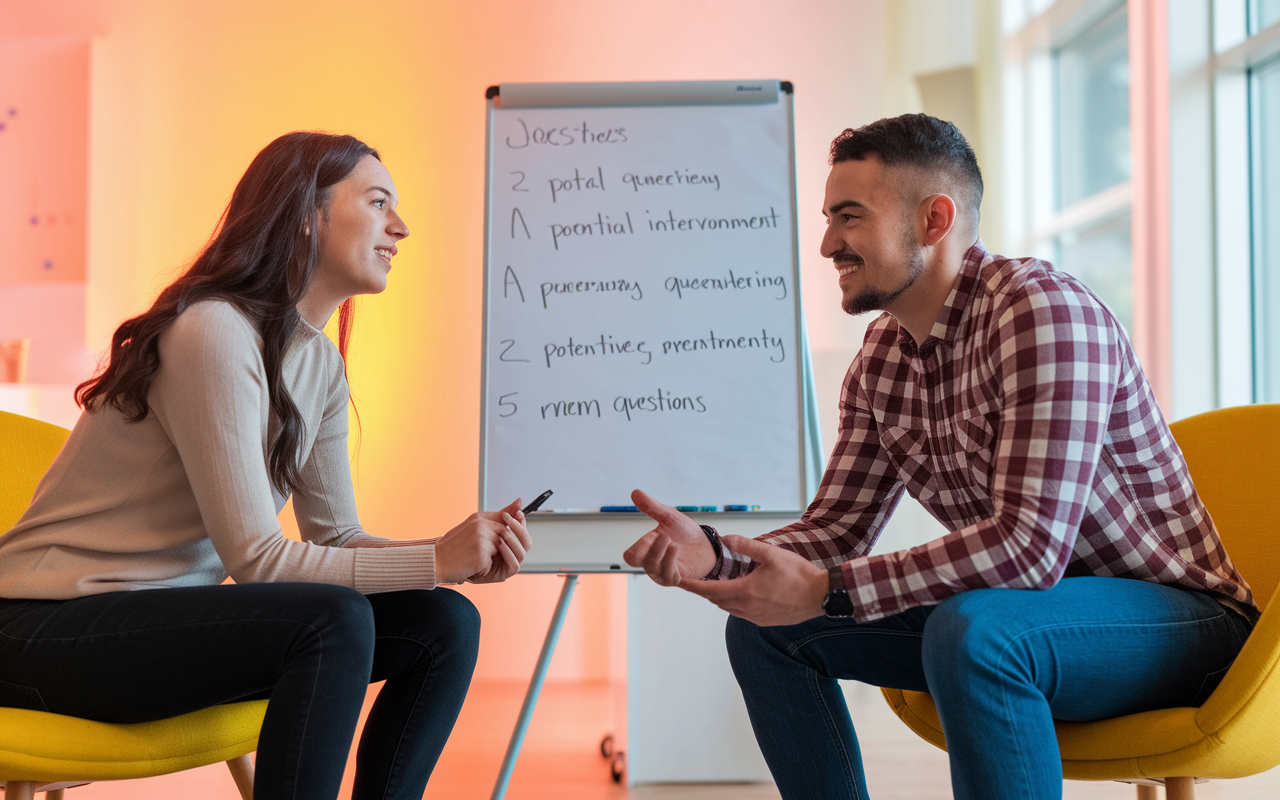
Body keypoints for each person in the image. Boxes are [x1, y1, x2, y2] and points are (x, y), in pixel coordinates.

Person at [622, 114, 1257, 800]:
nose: (828, 243)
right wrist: (720, 554)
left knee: (977, 630)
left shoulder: (1044, 313)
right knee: (771, 631)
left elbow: (1029, 551)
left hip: (1182, 627)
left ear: (934, 220)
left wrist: (832, 589)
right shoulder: (882, 360)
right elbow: (836, 529)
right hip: (1020, 620)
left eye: (849, 217)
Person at [0, 132, 532, 800]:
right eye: (377, 203)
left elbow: (335, 541)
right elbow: (259, 559)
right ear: (308, 215)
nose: (401, 227)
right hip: (36, 633)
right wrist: (434, 559)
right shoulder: (211, 330)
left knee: (444, 623)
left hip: (148, 623)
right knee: (329, 621)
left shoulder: (321, 364)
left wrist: (450, 555)